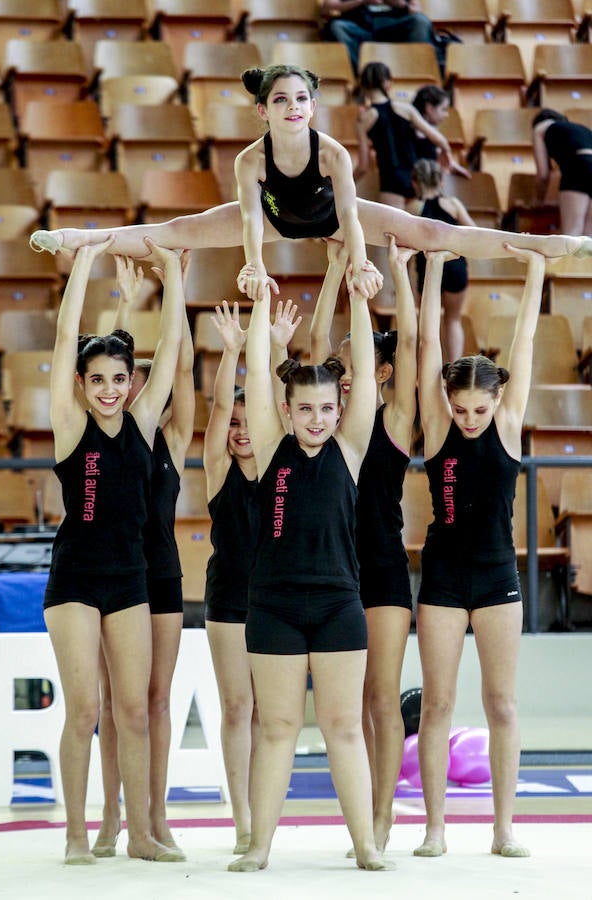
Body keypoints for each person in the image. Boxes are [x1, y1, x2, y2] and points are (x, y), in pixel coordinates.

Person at [29, 66, 592, 303]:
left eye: (302, 98)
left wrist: (359, 261)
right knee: (176, 231)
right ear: (262, 111)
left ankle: (547, 245)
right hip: (274, 218)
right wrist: (253, 262)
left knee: (427, 229)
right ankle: (80, 238)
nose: (293, 107)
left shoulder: (334, 152)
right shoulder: (252, 160)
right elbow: (251, 218)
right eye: (281, 100)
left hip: (327, 216)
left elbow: (348, 214)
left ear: (313, 105)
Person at [228, 256, 385, 873]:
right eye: (306, 409)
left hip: (340, 604)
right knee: (278, 728)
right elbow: (261, 384)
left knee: (344, 727)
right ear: (288, 411)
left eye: (326, 408)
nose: (317, 418)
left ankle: (367, 845)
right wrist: (261, 300)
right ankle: (260, 845)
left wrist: (362, 300)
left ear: (337, 410)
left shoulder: (349, 449)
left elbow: (367, 377)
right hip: (273, 606)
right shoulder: (270, 448)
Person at [43, 236, 185, 865]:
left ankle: (141, 833)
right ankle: (77, 834)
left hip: (131, 580)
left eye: (117, 379)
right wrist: (84, 268)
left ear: (132, 384)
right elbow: (64, 340)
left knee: (133, 710)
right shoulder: (71, 426)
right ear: (82, 383)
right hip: (74, 580)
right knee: (84, 710)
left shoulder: (142, 422)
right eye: (95, 379)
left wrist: (175, 276)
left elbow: (174, 350)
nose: (107, 388)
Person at [414, 242, 544, 859]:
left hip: (497, 576)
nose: (470, 419)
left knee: (501, 702)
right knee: (437, 701)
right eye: (461, 408)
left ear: (497, 402)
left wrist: (537, 266)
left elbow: (524, 344)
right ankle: (436, 828)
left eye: (480, 409)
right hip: (442, 576)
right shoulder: (438, 427)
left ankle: (503, 829)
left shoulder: (509, 422)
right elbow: (426, 352)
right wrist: (435, 268)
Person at [311, 236, 417, 855]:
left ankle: (381, 817)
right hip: (331, 571)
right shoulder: (327, 421)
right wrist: (335, 276)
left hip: (381, 569)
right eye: (337, 372)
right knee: (344, 708)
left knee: (382, 696)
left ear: (380, 374)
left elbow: (417, 351)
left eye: (353, 371)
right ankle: (361, 812)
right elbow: (316, 347)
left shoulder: (395, 419)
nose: (340, 379)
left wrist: (400, 278)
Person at [92, 253, 195, 861]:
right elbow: (99, 354)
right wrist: (126, 302)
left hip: (157, 573)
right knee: (112, 703)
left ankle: (154, 815)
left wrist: (175, 285)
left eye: (130, 380)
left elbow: (177, 364)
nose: (122, 389)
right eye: (114, 381)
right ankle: (111, 814)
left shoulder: (171, 438)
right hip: (112, 573)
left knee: (155, 700)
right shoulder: (96, 432)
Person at [202, 300, 259, 857]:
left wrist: (268, 352)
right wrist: (233, 351)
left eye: (249, 424)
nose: (240, 431)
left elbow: (278, 408)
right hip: (226, 602)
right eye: (235, 426)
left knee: (271, 714)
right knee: (237, 708)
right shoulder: (218, 470)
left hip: (274, 602)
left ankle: (261, 813)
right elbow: (221, 406)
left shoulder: (277, 466)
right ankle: (241, 818)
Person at [354, 62, 468, 209]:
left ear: (363, 86)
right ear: (388, 84)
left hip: (391, 181)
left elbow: (363, 167)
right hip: (416, 179)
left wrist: (345, 182)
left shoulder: (363, 120)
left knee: (392, 232)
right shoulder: (405, 109)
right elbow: (440, 140)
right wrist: (448, 158)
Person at [407, 158, 475, 362]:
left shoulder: (413, 207)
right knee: (453, 320)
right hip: (455, 266)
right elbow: (474, 232)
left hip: (428, 269)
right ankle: (454, 368)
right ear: (441, 181)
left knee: (429, 324)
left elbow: (406, 249)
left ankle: (430, 370)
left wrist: (407, 280)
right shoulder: (453, 204)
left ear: (415, 183)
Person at [320, 0, 437, 75]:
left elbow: (416, 10)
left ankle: (418, 73)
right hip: (360, 26)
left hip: (394, 26)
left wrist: (397, 3)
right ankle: (364, 75)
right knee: (337, 27)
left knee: (421, 21)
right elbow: (327, 8)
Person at [532, 108, 592, 236]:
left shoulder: (540, 128)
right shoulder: (581, 128)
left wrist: (539, 199)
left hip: (578, 166)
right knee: (589, 236)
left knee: (572, 233)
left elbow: (543, 174)